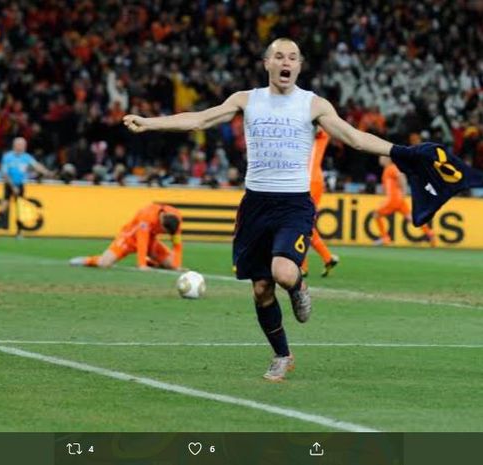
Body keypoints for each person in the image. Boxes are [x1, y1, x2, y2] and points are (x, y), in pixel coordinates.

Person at [122, 38, 438, 382]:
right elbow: (199, 120)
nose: (285, 62)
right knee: (260, 289)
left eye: (292, 57)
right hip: (255, 204)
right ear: (267, 64)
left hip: (293, 203)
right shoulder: (247, 99)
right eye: (278, 56)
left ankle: (299, 287)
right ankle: (282, 355)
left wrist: (402, 152)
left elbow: (355, 138)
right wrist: (149, 123)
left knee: (284, 273)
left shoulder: (313, 105)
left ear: (299, 66)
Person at [69, 203, 183, 271]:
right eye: (164, 231)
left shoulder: (176, 218)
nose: (164, 233)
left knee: (171, 264)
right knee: (104, 263)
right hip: (130, 238)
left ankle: (153, 262)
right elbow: (142, 241)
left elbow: (177, 244)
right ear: (161, 221)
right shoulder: (147, 215)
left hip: (151, 240)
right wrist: (141, 265)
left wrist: (177, 265)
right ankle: (87, 260)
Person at [0, 137, 51, 237]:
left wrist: (47, 172)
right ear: (15, 145)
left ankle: (19, 231)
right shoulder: (8, 157)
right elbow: (4, 174)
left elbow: (36, 165)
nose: (22, 147)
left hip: (20, 185)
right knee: (3, 207)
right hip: (9, 184)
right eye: (20, 145)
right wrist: (13, 187)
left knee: (20, 208)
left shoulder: (26, 157)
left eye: (24, 145)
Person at [373, 156, 436, 246]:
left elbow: (401, 176)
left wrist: (404, 191)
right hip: (399, 199)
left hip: (393, 199)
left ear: (387, 159)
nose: (380, 159)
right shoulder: (388, 169)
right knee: (412, 219)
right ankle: (430, 234)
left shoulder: (391, 168)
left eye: (382, 157)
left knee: (376, 214)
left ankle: (385, 238)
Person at [301, 128, 339, 277]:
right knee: (305, 224)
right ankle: (327, 258)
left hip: (309, 181)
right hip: (311, 180)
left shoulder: (319, 129)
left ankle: (303, 266)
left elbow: (316, 128)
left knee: (299, 222)